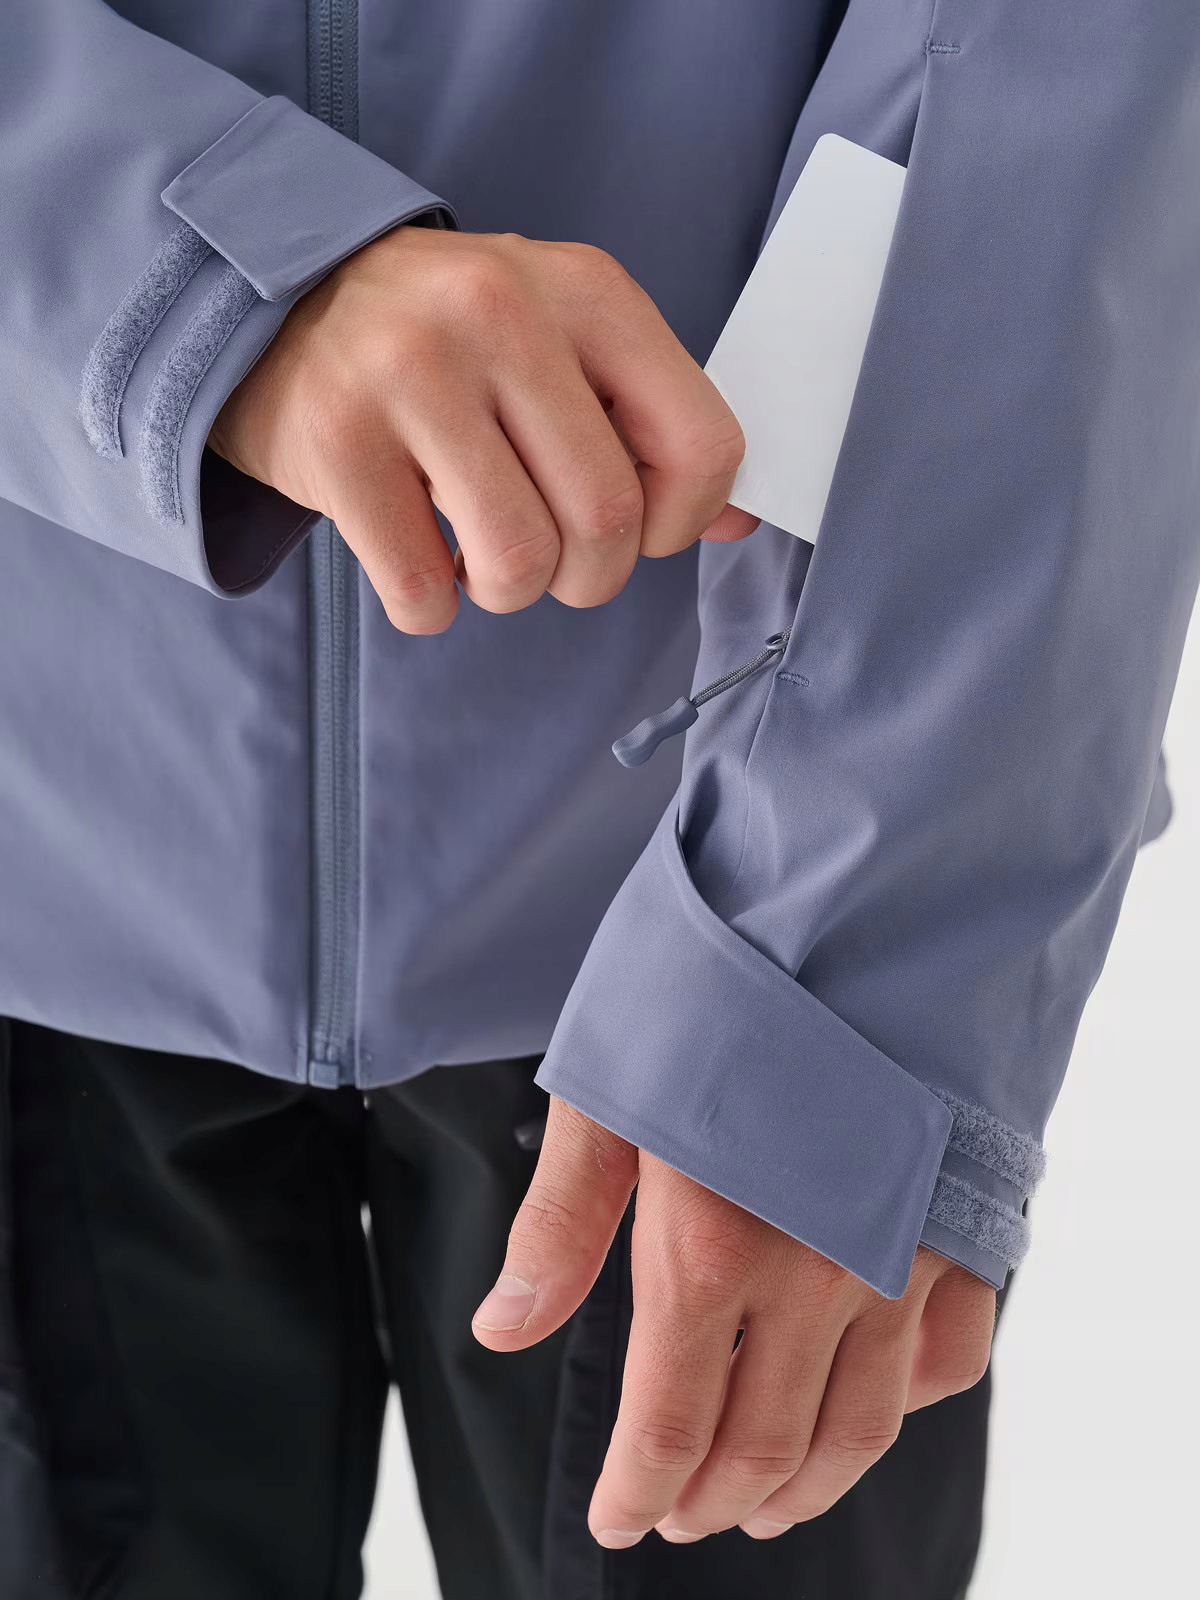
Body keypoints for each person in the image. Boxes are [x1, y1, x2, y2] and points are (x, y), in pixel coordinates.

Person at [0, 2, 1193, 1597]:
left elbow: (1059, 73)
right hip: (41, 861)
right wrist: (184, 288)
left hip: (711, 947)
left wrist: (848, 952)